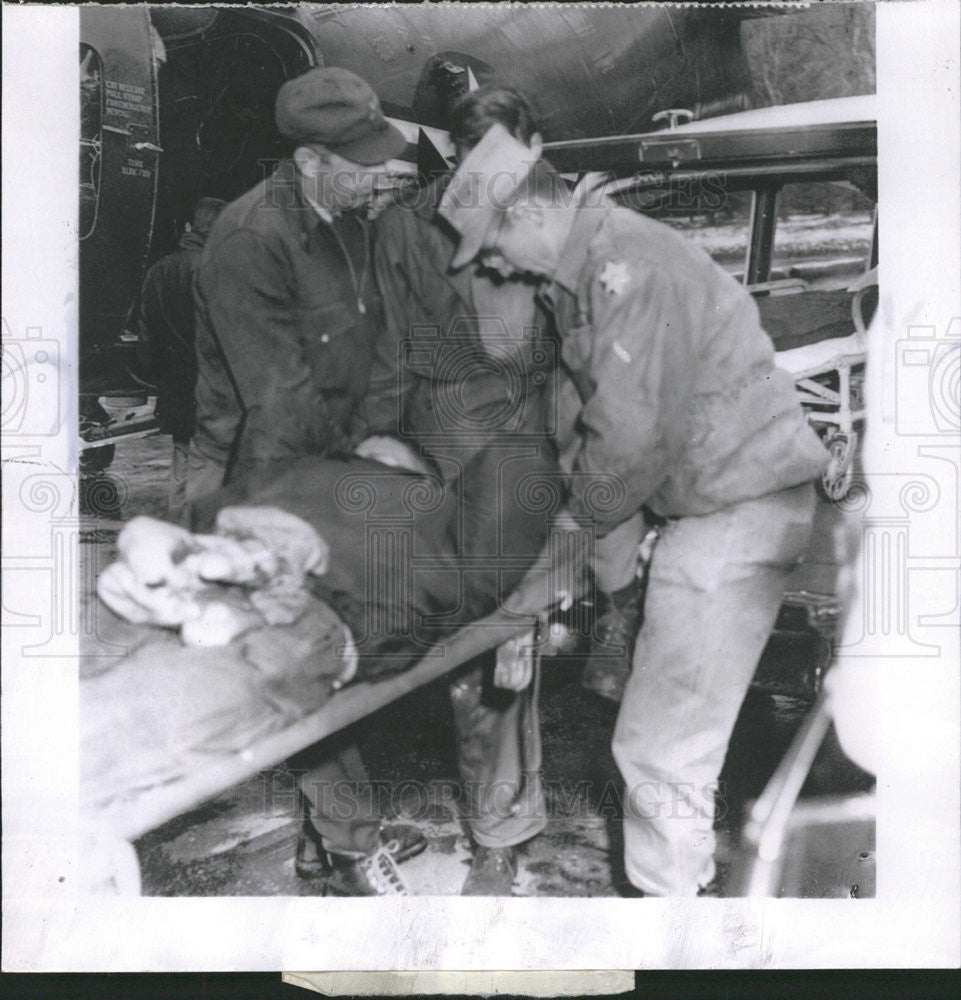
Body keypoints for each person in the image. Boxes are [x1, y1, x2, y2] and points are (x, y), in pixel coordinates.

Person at [441, 123, 829, 896]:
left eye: (487, 245)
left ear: (525, 215)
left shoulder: (628, 269)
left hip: (734, 512)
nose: (488, 264)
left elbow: (624, 450)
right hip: (710, 504)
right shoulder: (581, 273)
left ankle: (674, 941)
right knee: (667, 743)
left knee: (659, 754)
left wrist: (542, 580)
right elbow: (583, 423)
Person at [352, 85, 558, 895]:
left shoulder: (404, 220)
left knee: (491, 650)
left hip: (470, 448)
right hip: (470, 448)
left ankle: (496, 834)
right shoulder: (414, 227)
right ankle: (489, 835)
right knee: (486, 648)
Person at [136, 197, 226, 521]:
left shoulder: (158, 269)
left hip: (174, 383)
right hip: (212, 385)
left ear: (190, 228)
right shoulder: (215, 269)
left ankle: (178, 528)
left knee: (182, 457)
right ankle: (203, 536)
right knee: (214, 464)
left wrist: (159, 376)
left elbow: (146, 335)